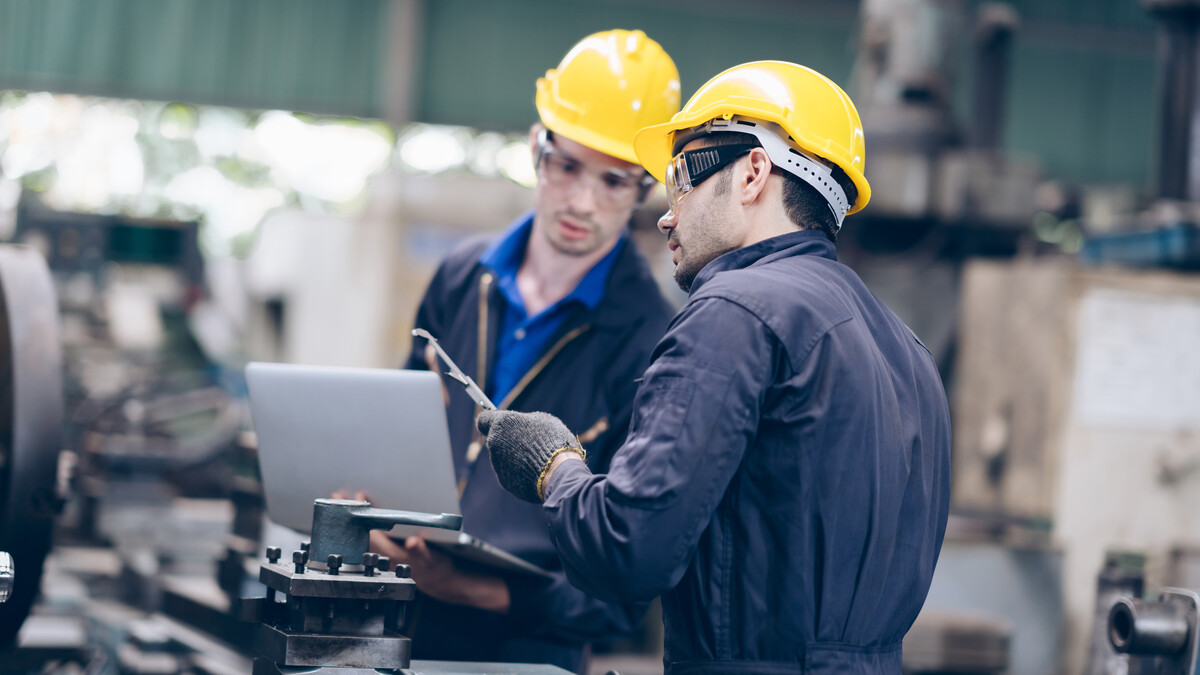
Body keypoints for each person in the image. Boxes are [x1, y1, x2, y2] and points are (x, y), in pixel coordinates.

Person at [477, 60, 953, 674]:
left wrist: (554, 467)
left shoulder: (735, 311)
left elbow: (626, 551)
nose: (665, 214)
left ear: (754, 171)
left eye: (682, 178)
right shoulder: (909, 352)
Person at [369, 30, 680, 672]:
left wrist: (472, 589)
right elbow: (400, 428)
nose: (581, 201)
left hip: (527, 654)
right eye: (566, 165)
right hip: (393, 621)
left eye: (614, 181)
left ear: (646, 189)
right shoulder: (461, 276)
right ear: (538, 149)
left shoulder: (652, 342)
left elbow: (626, 582)